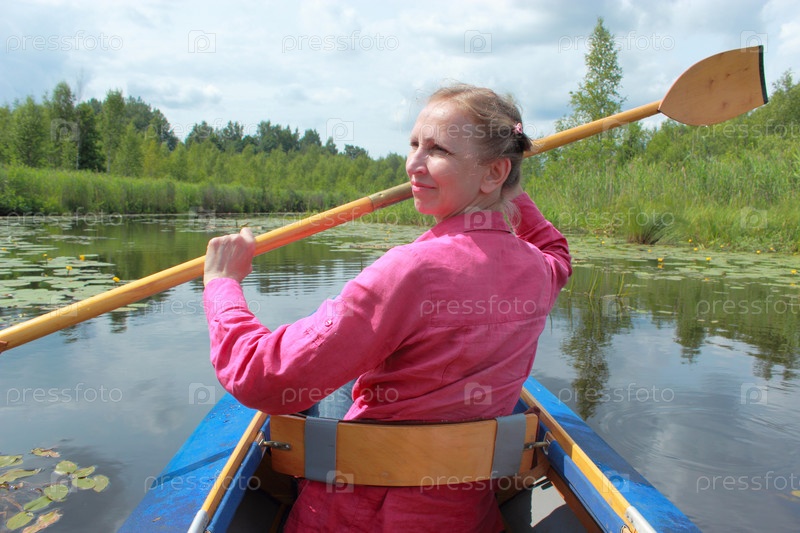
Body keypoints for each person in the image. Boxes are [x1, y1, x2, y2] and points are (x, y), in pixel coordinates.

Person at [203, 84, 572, 532]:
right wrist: (503, 190)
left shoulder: (410, 269)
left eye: (437, 150)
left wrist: (222, 284)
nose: (414, 164)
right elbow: (556, 251)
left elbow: (263, 378)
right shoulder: (538, 270)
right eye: (414, 144)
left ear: (494, 170)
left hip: (359, 519)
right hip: (466, 520)